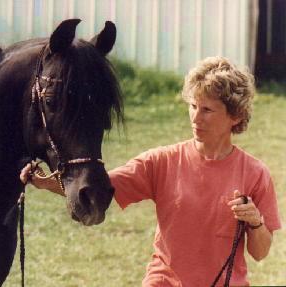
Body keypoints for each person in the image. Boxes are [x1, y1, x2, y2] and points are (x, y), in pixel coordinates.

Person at [20, 56, 281, 286]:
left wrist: (255, 221)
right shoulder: (162, 161)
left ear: (235, 116)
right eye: (193, 106)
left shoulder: (255, 173)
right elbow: (100, 189)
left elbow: (260, 252)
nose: (195, 118)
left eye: (207, 110)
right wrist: (45, 184)